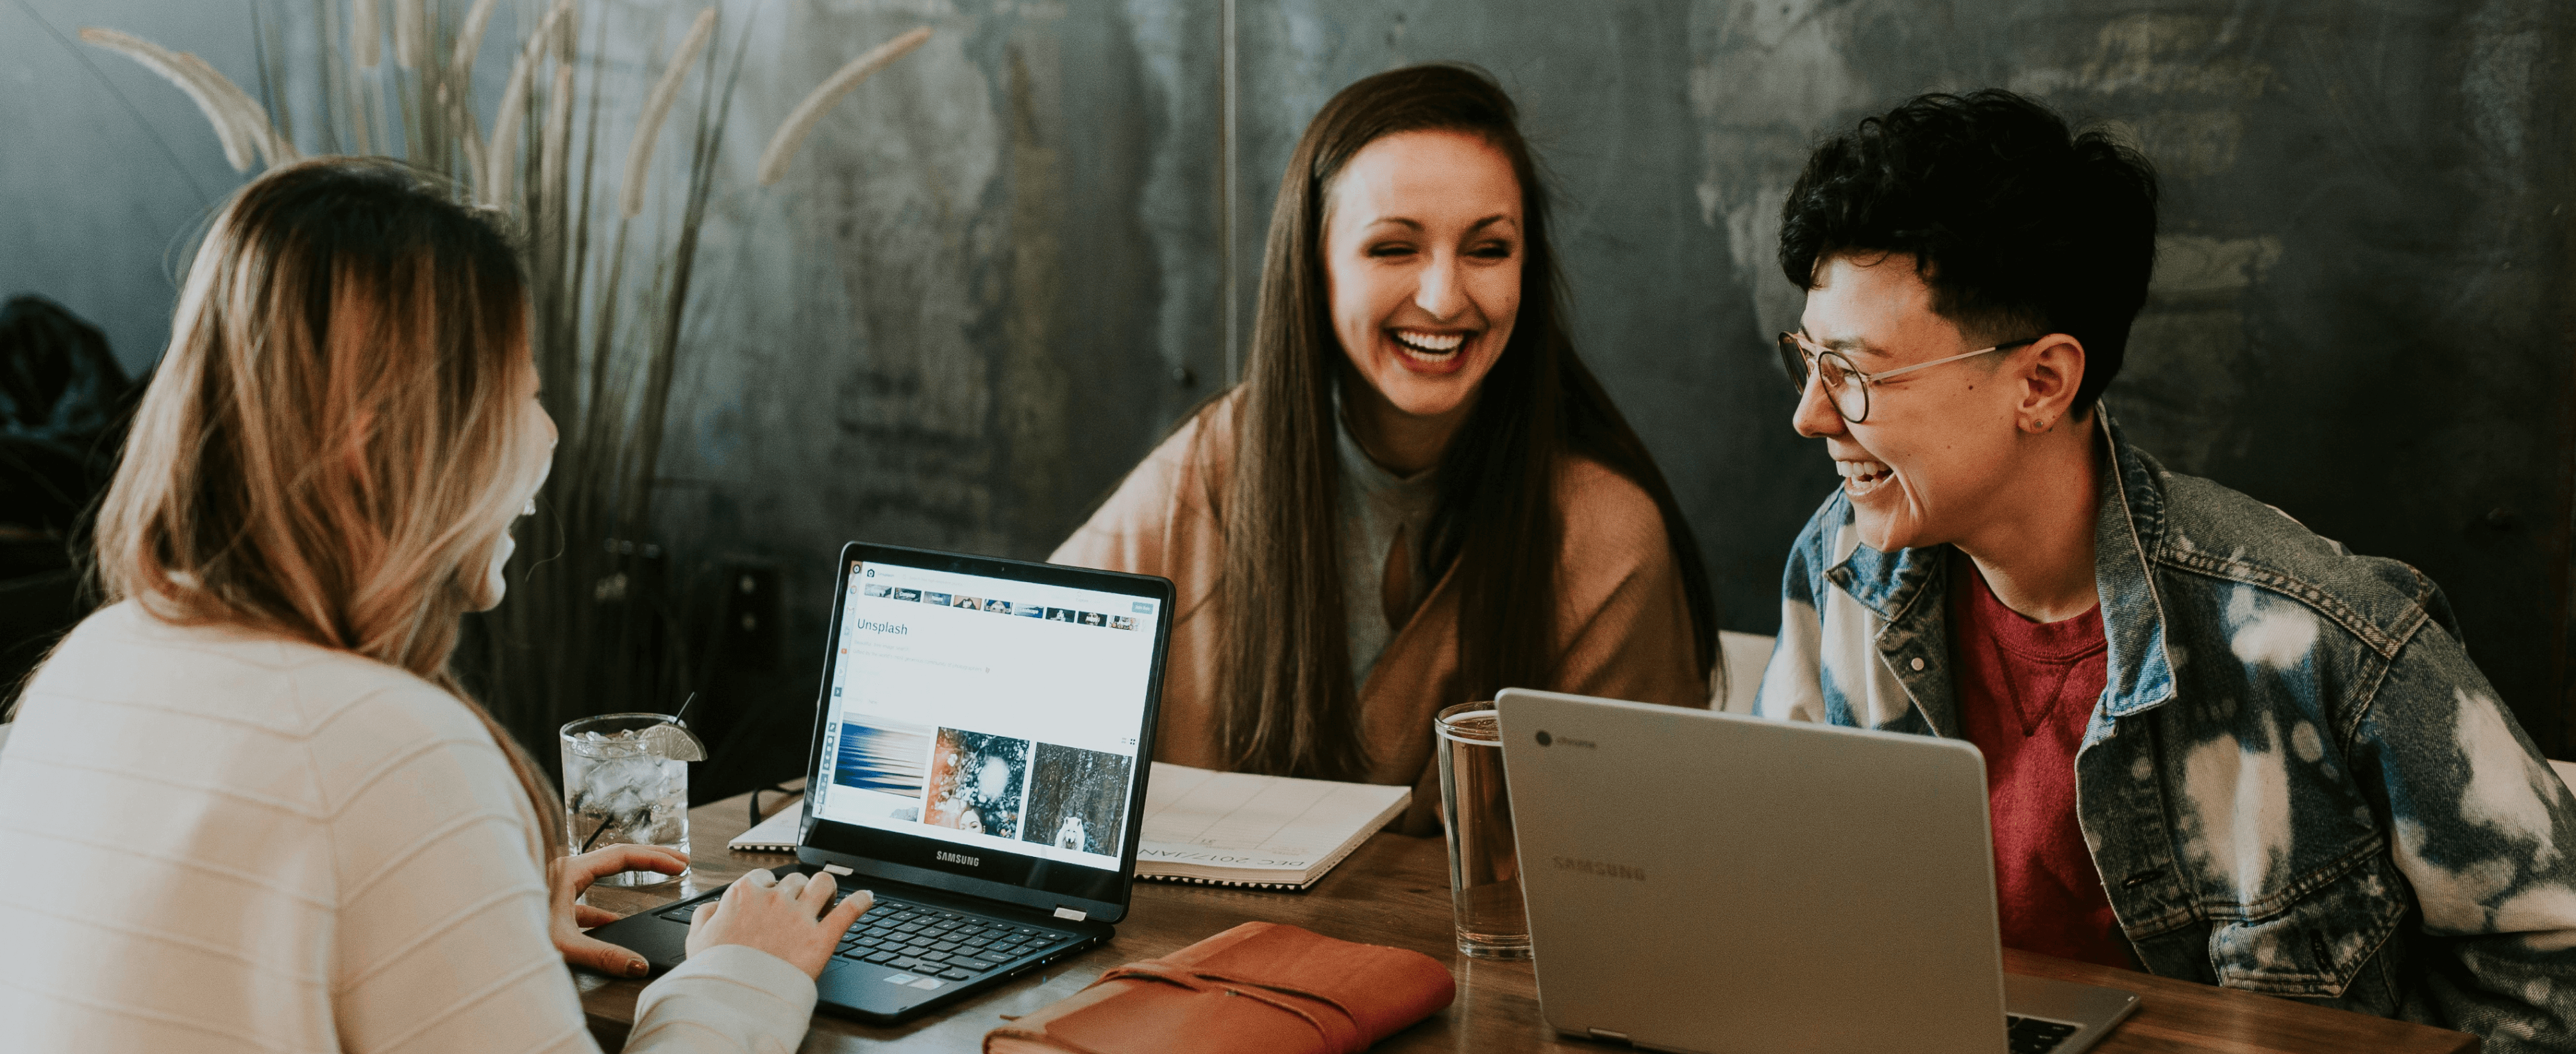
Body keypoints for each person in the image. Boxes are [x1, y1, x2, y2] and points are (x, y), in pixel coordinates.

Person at [1753, 90, 2576, 1049]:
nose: (1811, 415)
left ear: (2042, 382)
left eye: (1852, 374)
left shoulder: (2321, 639)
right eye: (1806, 361)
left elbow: (2555, 961)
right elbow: (1787, 887)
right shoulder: (1843, 565)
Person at [0, 158, 872, 1052]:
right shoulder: (387, 748)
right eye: (522, 395)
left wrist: (466, 913)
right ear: (378, 444)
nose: (549, 436)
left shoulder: (85, 671)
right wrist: (742, 974)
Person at [1053, 64, 1718, 834]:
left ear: (1526, 271)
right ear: (1315, 268)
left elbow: (1633, 869)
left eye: (1488, 249)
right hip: (1190, 953)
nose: (1443, 297)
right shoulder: (1213, 463)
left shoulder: (1607, 539)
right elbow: (1020, 676)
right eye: (1393, 248)